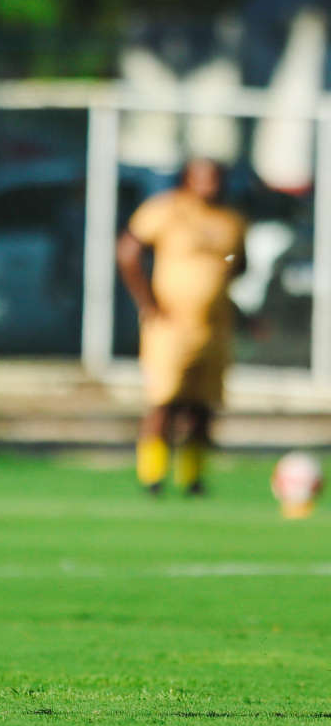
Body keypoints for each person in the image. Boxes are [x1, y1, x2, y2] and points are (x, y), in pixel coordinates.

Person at [117, 158, 247, 495]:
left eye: (216, 178)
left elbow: (238, 265)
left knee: (202, 406)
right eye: (203, 178)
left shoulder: (231, 220)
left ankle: (193, 478)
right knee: (165, 401)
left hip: (215, 326)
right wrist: (147, 303)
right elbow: (129, 252)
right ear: (188, 179)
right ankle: (153, 476)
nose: (211, 185)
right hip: (170, 324)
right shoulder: (166, 210)